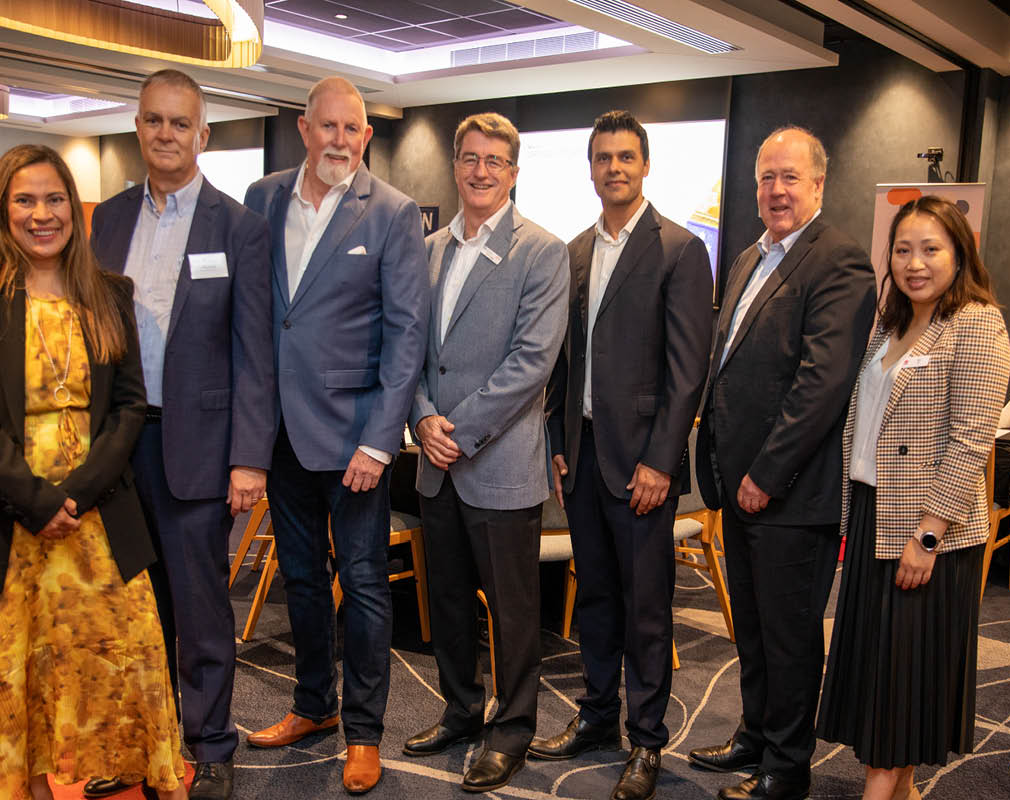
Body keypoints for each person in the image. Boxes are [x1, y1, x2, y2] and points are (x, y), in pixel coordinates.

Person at [0, 144, 185, 800]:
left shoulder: (109, 293)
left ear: (74, 206)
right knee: (10, 671)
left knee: (128, 654)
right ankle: (25, 787)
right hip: (0, 513)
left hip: (96, 512)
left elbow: (129, 405)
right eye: (25, 200)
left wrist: (79, 493)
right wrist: (35, 501)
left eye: (55, 199)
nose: (43, 214)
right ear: (2, 209)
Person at [88, 69, 275, 800]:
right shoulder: (102, 221)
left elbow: (256, 354)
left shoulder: (239, 228)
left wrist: (249, 459)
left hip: (200, 447)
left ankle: (210, 742)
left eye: (180, 124)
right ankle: (138, 744)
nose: (165, 135)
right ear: (138, 127)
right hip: (116, 448)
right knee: (129, 610)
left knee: (199, 613)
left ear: (203, 135)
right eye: (153, 121)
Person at [242, 76, 428, 794]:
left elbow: (406, 336)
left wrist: (382, 442)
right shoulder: (261, 200)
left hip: (355, 440)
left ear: (366, 137)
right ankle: (312, 705)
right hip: (280, 434)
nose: (341, 142)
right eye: (329, 128)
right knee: (300, 581)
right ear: (304, 127)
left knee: (364, 583)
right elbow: (260, 314)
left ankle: (364, 732)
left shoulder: (391, 212)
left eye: (353, 130)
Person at [689, 126, 876, 800]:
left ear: (819, 184)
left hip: (790, 492)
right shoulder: (746, 259)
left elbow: (820, 386)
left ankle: (787, 767)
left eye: (789, 176)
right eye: (766, 176)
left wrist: (766, 475)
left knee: (791, 635)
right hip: (738, 486)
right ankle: (755, 734)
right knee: (756, 626)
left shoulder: (841, 262)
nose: (775, 189)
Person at [531, 110, 712, 800]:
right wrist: (555, 443)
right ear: (590, 167)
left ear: (645, 165)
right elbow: (560, 363)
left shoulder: (678, 250)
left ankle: (647, 741)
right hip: (580, 462)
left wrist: (662, 462)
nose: (615, 168)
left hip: (642, 468)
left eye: (626, 157)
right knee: (597, 601)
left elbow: (686, 371)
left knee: (646, 609)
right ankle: (597, 717)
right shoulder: (574, 250)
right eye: (603, 157)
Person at [816, 195, 1010, 800]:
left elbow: (970, 439)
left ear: (961, 254)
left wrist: (928, 534)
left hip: (929, 531)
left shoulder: (977, 322)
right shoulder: (891, 320)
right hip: (875, 514)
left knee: (898, 687)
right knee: (881, 680)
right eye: (903, 249)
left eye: (931, 249)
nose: (914, 263)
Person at [403, 111, 570, 793]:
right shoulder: (429, 246)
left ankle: (511, 730)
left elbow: (532, 363)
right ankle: (461, 708)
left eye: (493, 161)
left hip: (496, 464)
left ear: (513, 173)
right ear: (456, 165)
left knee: (511, 611)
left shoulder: (542, 250)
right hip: (435, 463)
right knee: (444, 600)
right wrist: (421, 421)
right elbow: (408, 349)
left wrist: (454, 430)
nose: (479, 171)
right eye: (469, 158)